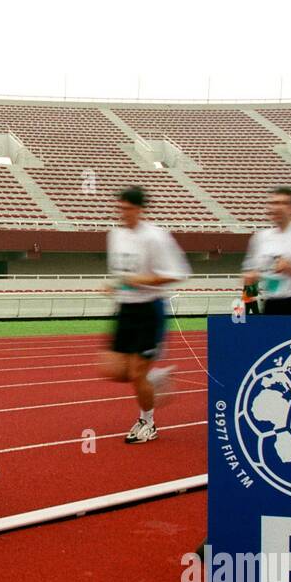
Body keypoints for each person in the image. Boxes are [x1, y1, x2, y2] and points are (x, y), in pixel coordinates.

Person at [99, 186, 190, 444]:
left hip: (149, 309)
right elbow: (122, 274)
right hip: (125, 309)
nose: (123, 213)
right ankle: (156, 378)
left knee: (137, 374)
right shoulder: (114, 235)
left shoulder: (156, 238)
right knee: (113, 370)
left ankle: (148, 424)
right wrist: (115, 284)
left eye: (128, 209)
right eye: (121, 208)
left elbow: (177, 273)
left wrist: (142, 279)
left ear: (140, 209)